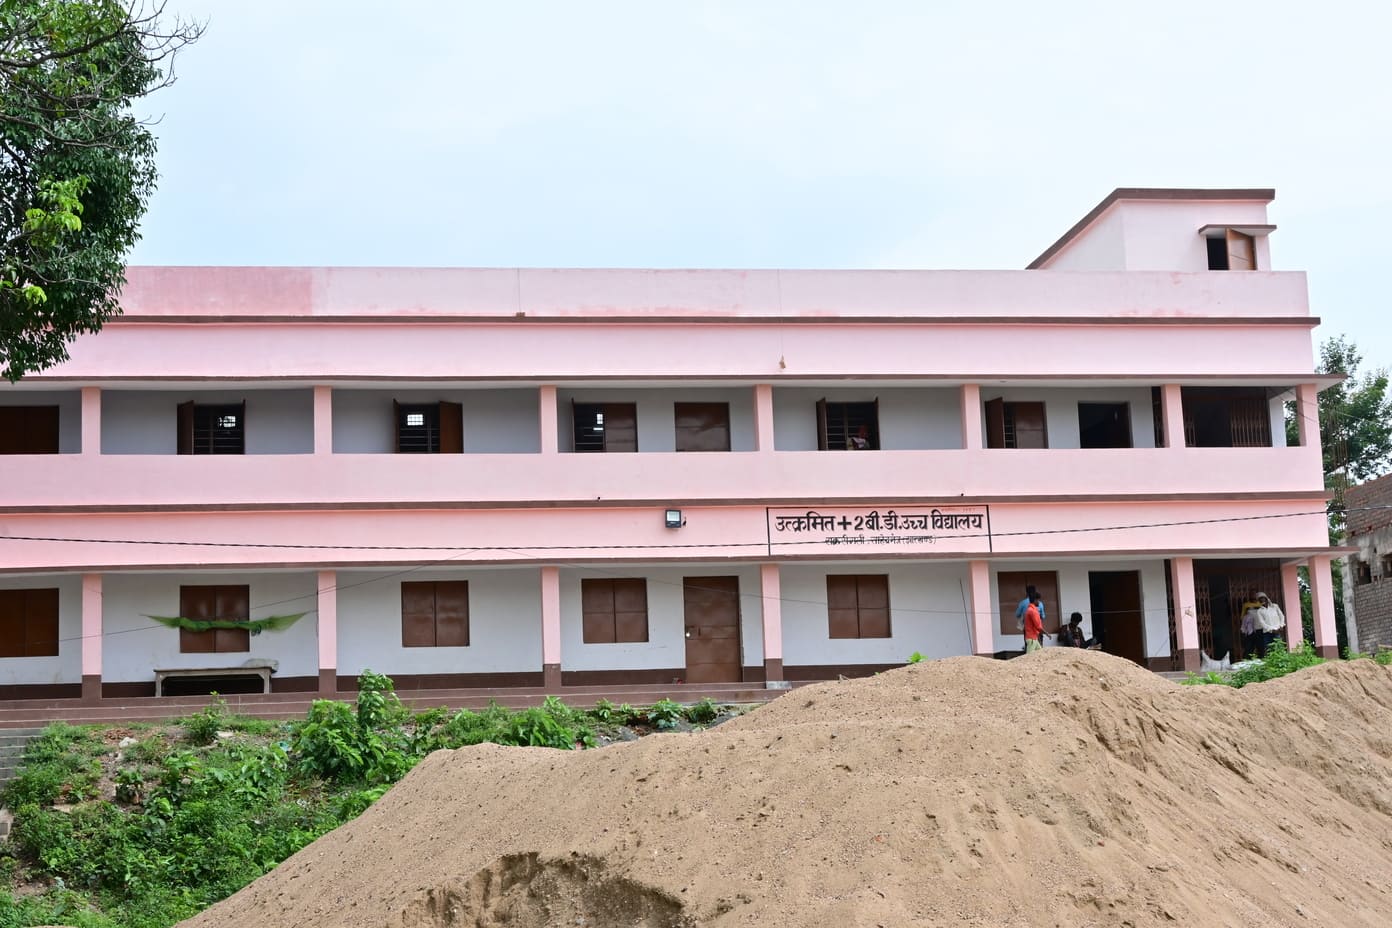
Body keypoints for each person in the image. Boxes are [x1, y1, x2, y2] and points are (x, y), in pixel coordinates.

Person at [1251, 592, 1286, 656]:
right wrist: (1271, 630)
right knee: (1269, 650)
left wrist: (1281, 626)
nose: (1262, 600)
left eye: (1263, 598)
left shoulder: (1275, 606)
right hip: (1267, 633)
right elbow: (1262, 623)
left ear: (1266, 598)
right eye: (1260, 599)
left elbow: (1281, 616)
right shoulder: (1259, 611)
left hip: (1277, 631)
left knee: (1279, 648)